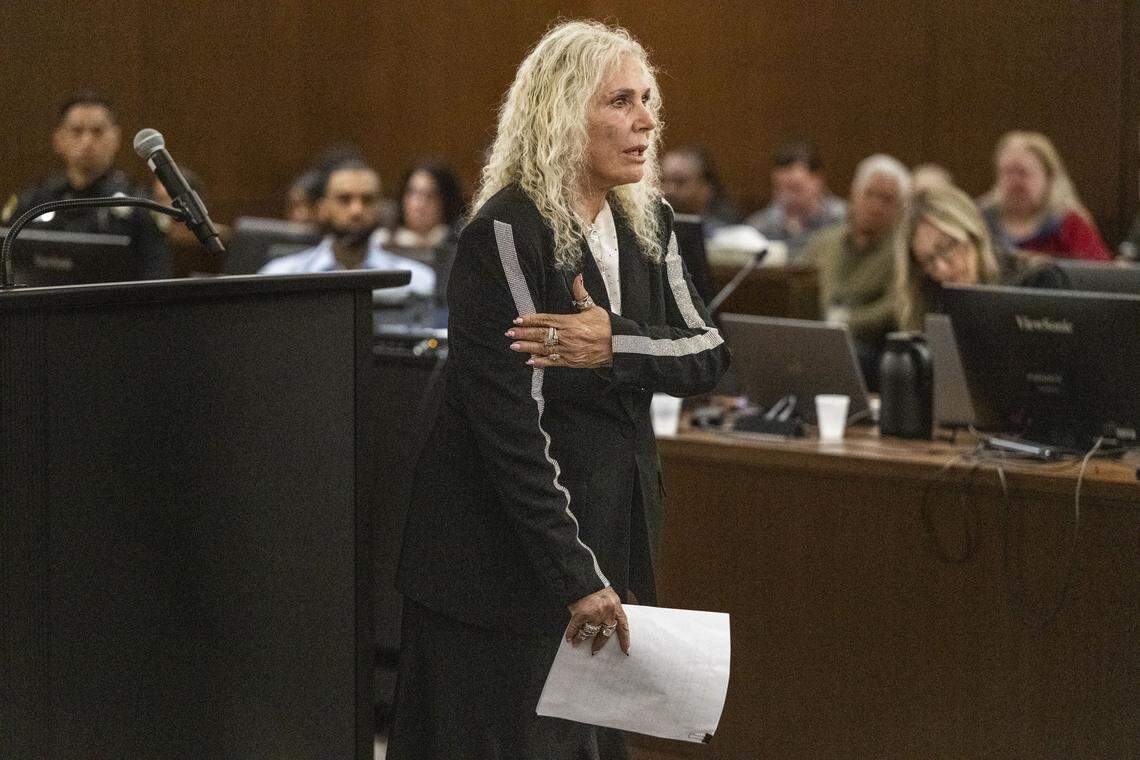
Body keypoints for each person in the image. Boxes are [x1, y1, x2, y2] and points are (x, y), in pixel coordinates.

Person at [388, 20, 729, 759]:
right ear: (561, 113)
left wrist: (617, 345)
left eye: (648, 101)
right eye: (620, 102)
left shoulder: (652, 224)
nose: (646, 121)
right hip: (498, 566)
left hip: (596, 548)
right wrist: (576, 575)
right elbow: (510, 426)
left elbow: (708, 351)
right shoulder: (506, 234)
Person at [2, 92, 169, 278]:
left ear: (116, 138)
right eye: (76, 131)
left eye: (97, 132)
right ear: (58, 139)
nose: (87, 141)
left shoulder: (139, 204)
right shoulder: (33, 201)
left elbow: (156, 278)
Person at [259, 159, 434, 305]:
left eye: (367, 200)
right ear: (322, 208)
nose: (356, 210)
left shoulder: (419, 283)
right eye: (344, 199)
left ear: (380, 208)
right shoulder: (278, 279)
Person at [894, 184, 1067, 331]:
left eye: (946, 248)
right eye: (928, 260)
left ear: (974, 235)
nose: (941, 269)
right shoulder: (932, 300)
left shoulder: (1036, 281)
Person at [803, 153, 910, 390]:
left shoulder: (904, 252)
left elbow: (897, 304)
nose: (876, 206)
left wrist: (847, 322)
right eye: (869, 194)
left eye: (887, 199)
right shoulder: (823, 243)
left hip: (870, 346)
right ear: (853, 195)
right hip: (817, 334)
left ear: (901, 208)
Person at [980, 131, 1111, 261]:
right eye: (1008, 172)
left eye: (1023, 172)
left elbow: (1101, 272)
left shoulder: (1070, 223)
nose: (1015, 181)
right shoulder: (979, 219)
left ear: (1049, 177)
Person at [745, 139, 846, 261]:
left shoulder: (843, 220)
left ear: (818, 179)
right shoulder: (759, 226)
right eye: (781, 189)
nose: (788, 197)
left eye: (795, 187)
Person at [373, 159, 466, 249]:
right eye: (412, 192)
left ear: (446, 202)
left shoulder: (459, 245)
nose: (420, 203)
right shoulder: (381, 241)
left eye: (430, 195)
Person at [659, 145, 739, 233]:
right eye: (662, 180)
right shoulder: (652, 229)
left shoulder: (726, 235)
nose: (669, 190)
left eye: (680, 181)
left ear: (706, 188)